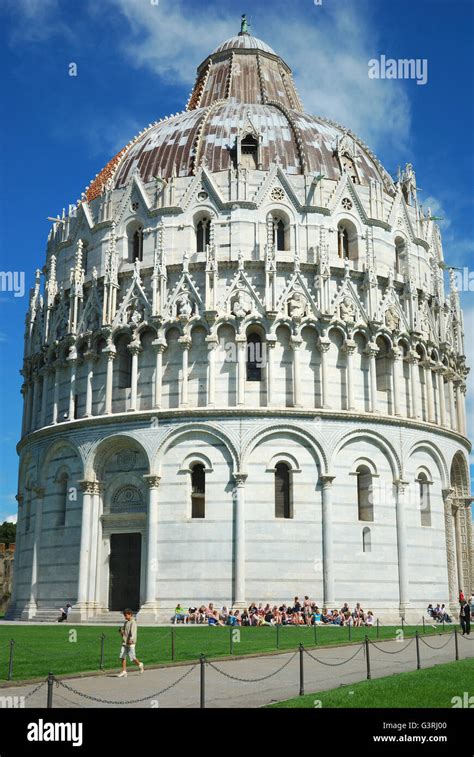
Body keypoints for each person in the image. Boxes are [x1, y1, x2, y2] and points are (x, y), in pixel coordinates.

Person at [117, 609, 144, 677]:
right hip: (124, 642)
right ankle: (124, 671)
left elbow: (133, 632)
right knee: (122, 656)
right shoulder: (126, 623)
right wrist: (121, 632)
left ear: (130, 614)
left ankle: (140, 664)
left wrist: (131, 639)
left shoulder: (133, 622)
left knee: (132, 657)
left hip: (130, 643)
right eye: (124, 615)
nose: (125, 617)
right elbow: (124, 634)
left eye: (126, 615)